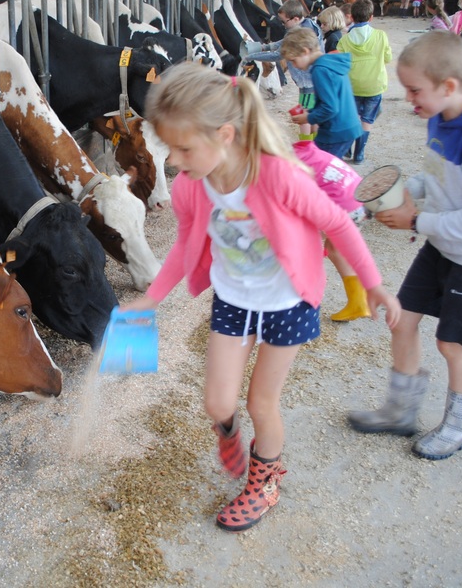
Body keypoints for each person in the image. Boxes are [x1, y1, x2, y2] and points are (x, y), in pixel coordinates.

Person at [122, 62, 400, 531]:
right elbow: (186, 245)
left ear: (225, 135)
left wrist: (372, 284)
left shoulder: (275, 176)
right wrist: (151, 297)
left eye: (183, 147)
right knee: (217, 404)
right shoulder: (193, 187)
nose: (172, 160)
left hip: (287, 304)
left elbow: (334, 223)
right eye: (170, 147)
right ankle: (229, 436)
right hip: (234, 301)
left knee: (261, 404)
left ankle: (264, 483)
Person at [348, 30, 462, 460]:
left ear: (448, 86)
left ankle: (457, 426)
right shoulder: (441, 116)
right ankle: (401, 411)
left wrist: (416, 219)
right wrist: (404, 189)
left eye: (414, 90)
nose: (408, 99)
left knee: (453, 344)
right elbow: (438, 176)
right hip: (445, 242)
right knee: (401, 318)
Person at [293, 140, 371, 321]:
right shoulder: (305, 151)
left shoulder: (287, 164)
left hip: (345, 207)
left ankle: (304, 300)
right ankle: (358, 302)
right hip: (359, 199)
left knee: (305, 244)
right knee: (335, 249)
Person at [281, 26, 363, 160]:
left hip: (335, 131)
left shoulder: (320, 71)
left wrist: (308, 118)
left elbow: (330, 108)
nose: (294, 66)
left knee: (319, 171)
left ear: (305, 51)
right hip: (347, 126)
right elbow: (329, 100)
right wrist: (311, 111)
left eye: (293, 60)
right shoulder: (330, 63)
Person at [249, 0, 323, 140]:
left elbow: (278, 54)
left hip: (307, 81)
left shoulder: (301, 33)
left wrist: (251, 56)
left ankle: (307, 144)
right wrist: (264, 47)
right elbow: (284, 42)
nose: (282, 25)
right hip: (313, 79)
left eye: (284, 22)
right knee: (313, 110)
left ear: (295, 19)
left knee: (305, 113)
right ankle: (315, 141)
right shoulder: (306, 25)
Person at [337, 0, 393, 164]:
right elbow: (388, 58)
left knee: (351, 117)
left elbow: (340, 64)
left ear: (351, 18)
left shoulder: (344, 40)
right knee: (367, 120)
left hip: (352, 86)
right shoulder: (381, 36)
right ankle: (359, 154)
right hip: (374, 86)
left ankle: (347, 147)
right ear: (371, 18)